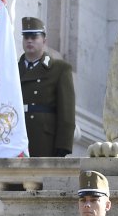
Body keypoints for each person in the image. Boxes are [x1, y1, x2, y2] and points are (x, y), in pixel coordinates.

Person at [20, 16, 76, 158]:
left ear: (44, 40)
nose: (29, 41)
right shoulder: (13, 69)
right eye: (26, 37)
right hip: (17, 135)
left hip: (44, 139)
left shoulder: (59, 69)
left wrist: (63, 145)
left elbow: (66, 113)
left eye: (34, 37)